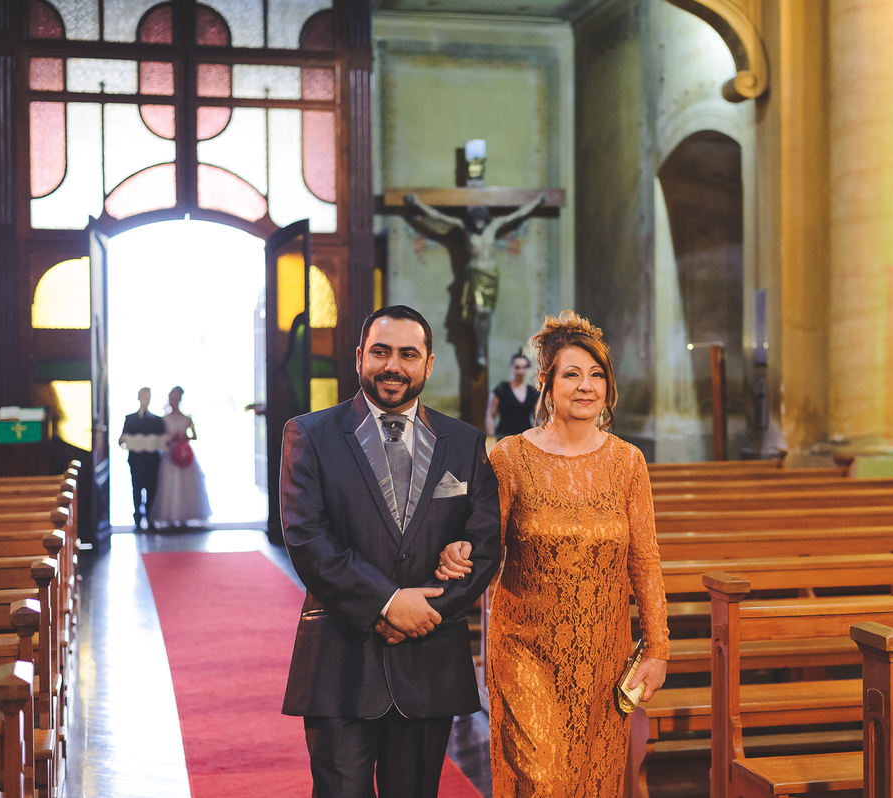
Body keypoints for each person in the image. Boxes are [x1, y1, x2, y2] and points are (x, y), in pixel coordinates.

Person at [436, 310, 669, 796]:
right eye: (572, 374)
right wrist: (456, 551)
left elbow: (644, 561)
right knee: (542, 781)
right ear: (547, 382)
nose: (586, 386)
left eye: (596, 375)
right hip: (526, 651)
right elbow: (483, 546)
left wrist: (657, 649)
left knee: (594, 782)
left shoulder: (629, 463)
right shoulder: (512, 458)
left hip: (604, 655)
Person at [279, 305, 502, 798]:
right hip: (341, 658)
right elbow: (307, 539)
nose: (393, 366)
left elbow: (485, 545)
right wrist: (386, 602)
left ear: (428, 363)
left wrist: (426, 610)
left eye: (408, 354)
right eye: (380, 352)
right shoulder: (311, 435)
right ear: (359, 357)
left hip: (429, 660)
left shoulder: (464, 443)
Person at [404, 192, 546, 368]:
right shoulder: (464, 229)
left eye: (481, 218)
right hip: (475, 274)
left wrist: (537, 202)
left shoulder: (494, 227)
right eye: (475, 219)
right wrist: (418, 202)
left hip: (491, 275)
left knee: (486, 313)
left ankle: (481, 345)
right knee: (479, 310)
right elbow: (438, 217)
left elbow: (517, 215)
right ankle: (479, 349)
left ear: (485, 219)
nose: (478, 221)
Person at [150, 386, 212, 528]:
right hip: (170, 455)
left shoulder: (187, 418)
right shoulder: (164, 419)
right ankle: (171, 516)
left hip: (184, 454)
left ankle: (185, 516)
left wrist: (184, 437)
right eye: (172, 398)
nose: (174, 401)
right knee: (170, 483)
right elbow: (161, 439)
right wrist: (171, 438)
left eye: (176, 398)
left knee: (186, 484)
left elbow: (194, 436)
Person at [117, 386, 166, 529]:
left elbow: (163, 439)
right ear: (139, 398)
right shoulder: (130, 419)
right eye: (143, 396)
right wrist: (126, 442)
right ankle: (137, 518)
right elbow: (122, 439)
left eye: (148, 397)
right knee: (136, 489)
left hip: (152, 460)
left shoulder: (157, 420)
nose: (146, 400)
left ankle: (150, 517)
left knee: (151, 489)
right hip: (136, 460)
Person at [484, 351, 540, 439]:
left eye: (524, 367)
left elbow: (538, 418)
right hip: (503, 438)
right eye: (517, 367)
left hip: (525, 438)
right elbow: (490, 416)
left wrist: (539, 437)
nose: (521, 371)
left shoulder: (532, 392)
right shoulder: (501, 389)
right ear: (511, 367)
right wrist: (491, 437)